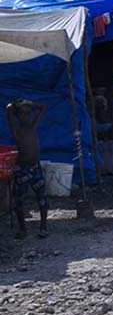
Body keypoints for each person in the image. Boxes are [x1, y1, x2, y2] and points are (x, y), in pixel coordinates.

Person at [6, 99, 48, 238]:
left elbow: (43, 108)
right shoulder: (16, 131)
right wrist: (19, 103)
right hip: (22, 169)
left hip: (35, 167)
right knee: (19, 201)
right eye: (23, 114)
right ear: (18, 117)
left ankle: (43, 227)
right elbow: (9, 109)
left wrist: (31, 104)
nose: (26, 117)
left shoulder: (33, 127)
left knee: (42, 198)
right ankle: (23, 229)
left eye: (28, 113)